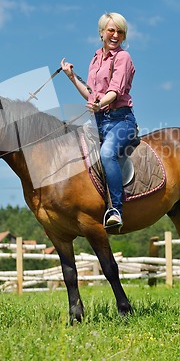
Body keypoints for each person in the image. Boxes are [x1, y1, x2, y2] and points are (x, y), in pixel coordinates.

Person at [61, 12, 138, 229]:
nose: (115, 35)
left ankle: (115, 210)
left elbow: (114, 91)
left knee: (107, 153)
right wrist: (71, 77)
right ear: (101, 32)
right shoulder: (95, 58)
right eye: (111, 30)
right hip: (98, 120)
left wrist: (99, 104)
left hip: (121, 120)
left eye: (120, 31)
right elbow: (91, 94)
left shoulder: (123, 58)